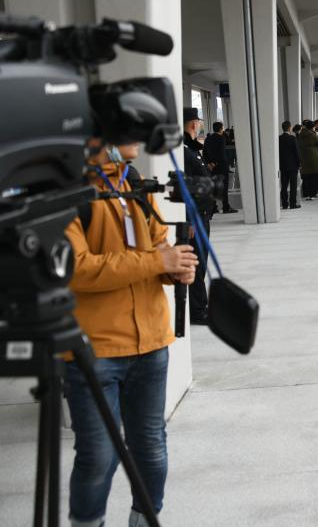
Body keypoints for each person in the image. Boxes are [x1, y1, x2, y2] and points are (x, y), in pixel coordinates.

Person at [64, 142, 198, 527]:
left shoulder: (133, 182)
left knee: (151, 448)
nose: (141, 139)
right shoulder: (68, 189)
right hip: (93, 351)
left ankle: (144, 520)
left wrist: (174, 270)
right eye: (132, 128)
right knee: (97, 456)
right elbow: (75, 269)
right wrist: (158, 261)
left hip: (152, 344)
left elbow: (158, 243)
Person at [183, 107, 216, 325]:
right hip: (195, 218)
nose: (200, 124)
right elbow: (183, 188)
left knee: (201, 263)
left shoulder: (193, 149)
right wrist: (188, 220)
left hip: (203, 214)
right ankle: (198, 310)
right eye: (198, 120)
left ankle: (200, 305)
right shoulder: (184, 150)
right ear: (193, 123)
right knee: (196, 263)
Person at [202, 121, 237, 214]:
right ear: (221, 129)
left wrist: (209, 163)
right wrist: (215, 162)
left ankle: (213, 207)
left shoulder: (208, 138)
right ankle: (226, 207)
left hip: (211, 168)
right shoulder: (221, 138)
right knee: (224, 187)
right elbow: (221, 154)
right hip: (221, 166)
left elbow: (204, 152)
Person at [278, 120, 301, 209]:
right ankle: (292, 204)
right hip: (293, 166)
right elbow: (297, 152)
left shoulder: (278, 139)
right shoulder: (293, 138)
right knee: (293, 185)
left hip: (283, 166)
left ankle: (284, 204)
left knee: (283, 186)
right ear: (290, 128)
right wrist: (299, 163)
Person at [298, 120, 318, 201]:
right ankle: (312, 194)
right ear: (312, 127)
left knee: (306, 177)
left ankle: (307, 194)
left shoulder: (301, 134)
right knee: (313, 176)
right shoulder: (312, 134)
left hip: (304, 157)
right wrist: (317, 135)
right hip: (313, 156)